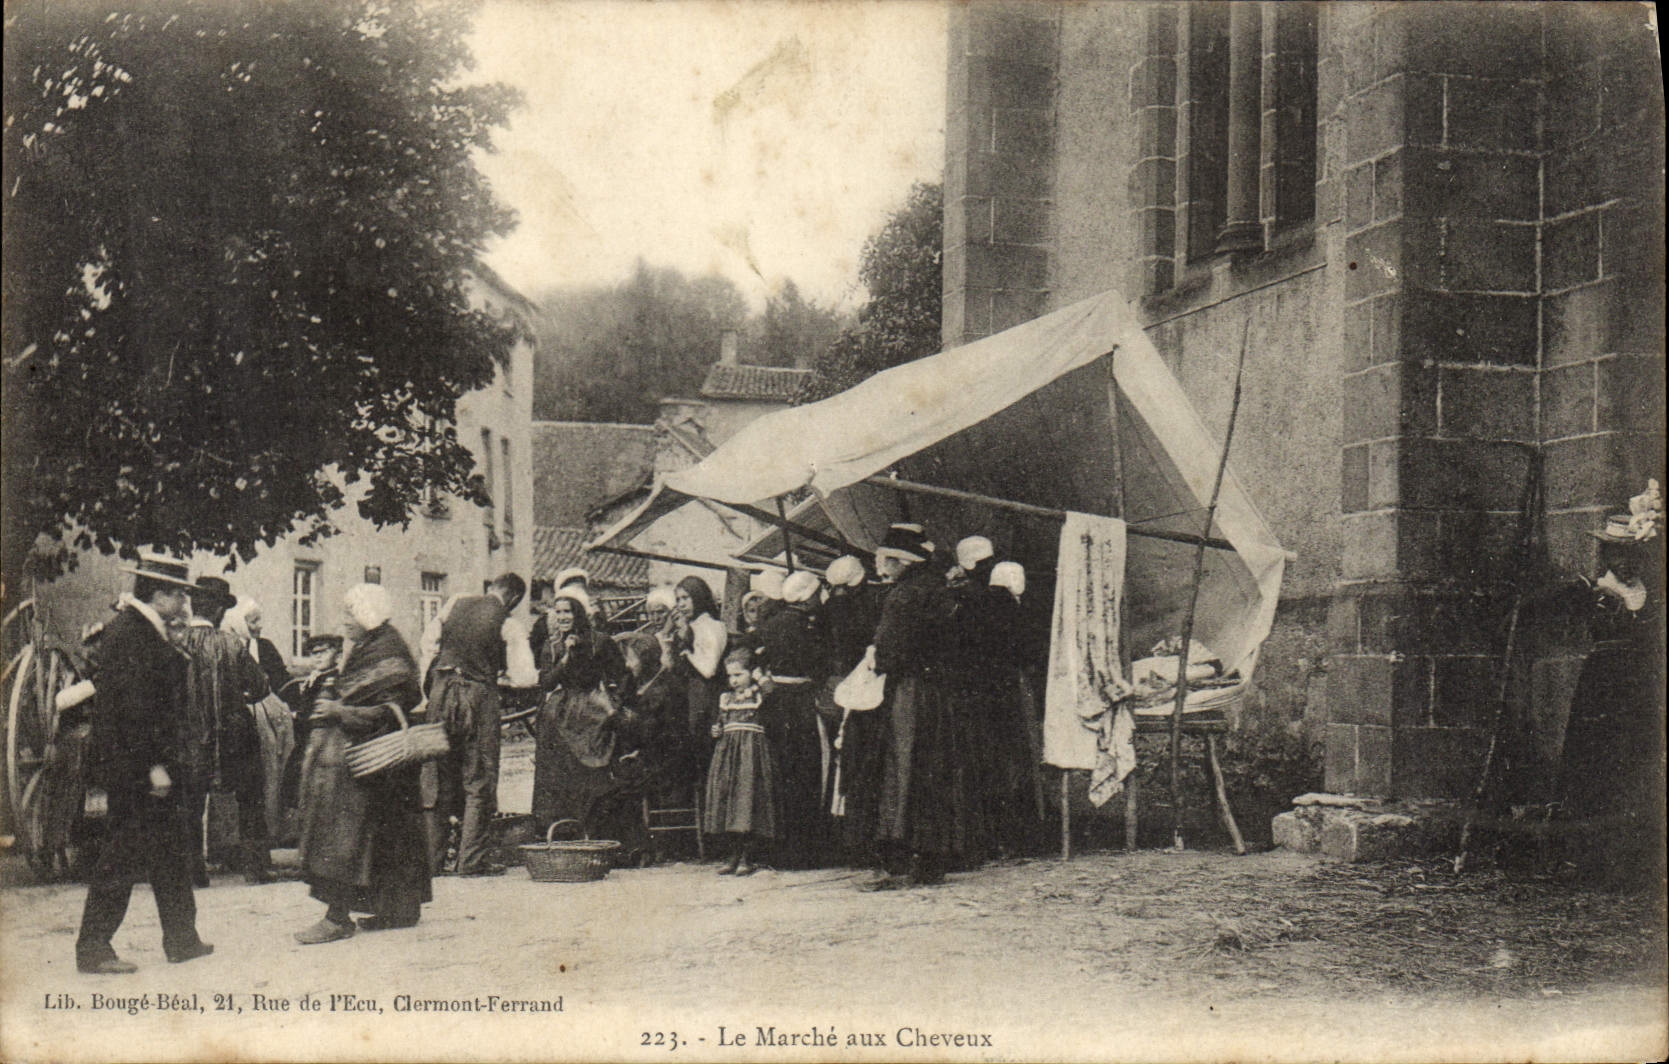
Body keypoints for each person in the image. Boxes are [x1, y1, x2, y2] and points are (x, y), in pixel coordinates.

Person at [76, 555, 214, 974]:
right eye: (180, 595)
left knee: (170, 853)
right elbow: (136, 711)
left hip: (143, 766)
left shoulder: (138, 631)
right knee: (122, 855)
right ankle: (94, 948)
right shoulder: (134, 636)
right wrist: (153, 765)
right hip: (139, 769)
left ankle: (182, 939)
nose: (185, 604)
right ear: (159, 594)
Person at [295, 584, 432, 942]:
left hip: (375, 761)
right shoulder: (374, 646)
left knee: (346, 837)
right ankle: (398, 911)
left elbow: (392, 709)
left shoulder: (385, 649)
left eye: (349, 614)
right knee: (389, 838)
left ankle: (337, 917)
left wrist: (343, 711)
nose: (344, 622)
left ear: (366, 615)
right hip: (380, 766)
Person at [1550, 480, 1665, 888]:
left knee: (1634, 762)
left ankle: (1632, 860)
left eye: (1634, 553)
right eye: (1618, 552)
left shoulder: (1648, 594)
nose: (1626, 560)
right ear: (1608, 553)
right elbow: (1549, 606)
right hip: (1602, 684)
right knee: (1595, 761)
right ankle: (1586, 858)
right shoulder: (1596, 591)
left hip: (1640, 685)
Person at [864, 523, 973, 889]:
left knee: (904, 765)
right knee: (936, 767)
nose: (880, 566)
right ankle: (933, 856)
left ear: (899, 561)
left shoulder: (903, 596)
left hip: (911, 691)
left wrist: (876, 661)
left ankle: (899, 854)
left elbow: (888, 653)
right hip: (941, 691)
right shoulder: (940, 589)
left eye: (884, 560)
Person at [421, 572, 538, 875]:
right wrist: (501, 675)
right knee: (479, 779)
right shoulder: (509, 623)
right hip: (477, 696)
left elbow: (428, 643)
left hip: (440, 690)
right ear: (513, 598)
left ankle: (432, 861)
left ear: (492, 588)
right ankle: (471, 861)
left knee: (439, 778)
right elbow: (525, 677)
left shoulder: (455, 603)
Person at [180, 576, 273, 885]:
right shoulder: (234, 644)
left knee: (190, 803)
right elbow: (260, 687)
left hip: (191, 734)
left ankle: (194, 874)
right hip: (236, 733)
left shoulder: (176, 643)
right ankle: (255, 869)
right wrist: (239, 696)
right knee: (250, 797)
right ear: (219, 610)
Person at [531, 590, 633, 834]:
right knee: (559, 771)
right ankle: (563, 830)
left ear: (578, 614)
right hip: (563, 708)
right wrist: (565, 657)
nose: (563, 617)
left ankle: (595, 828)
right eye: (558, 612)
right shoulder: (552, 645)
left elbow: (622, 675)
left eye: (567, 611)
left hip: (593, 709)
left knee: (592, 771)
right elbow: (546, 682)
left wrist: (612, 703)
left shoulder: (600, 641)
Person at [755, 569, 831, 868]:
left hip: (775, 701)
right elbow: (819, 664)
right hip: (799, 701)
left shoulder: (771, 623)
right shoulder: (807, 625)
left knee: (780, 771)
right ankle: (804, 850)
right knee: (804, 771)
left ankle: (778, 848)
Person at [824, 555, 887, 862]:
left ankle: (857, 839)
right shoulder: (873, 599)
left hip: (855, 686)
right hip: (866, 686)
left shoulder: (840, 606)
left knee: (852, 761)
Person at [702, 648, 779, 875]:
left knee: (747, 802)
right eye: (731, 676)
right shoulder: (726, 699)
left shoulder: (758, 695)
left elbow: (772, 693)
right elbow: (720, 722)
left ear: (751, 674)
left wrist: (759, 676)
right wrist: (716, 730)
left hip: (750, 756)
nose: (734, 681)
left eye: (739, 675)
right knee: (728, 801)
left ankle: (749, 856)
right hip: (727, 755)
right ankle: (732, 855)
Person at [659, 575, 728, 783]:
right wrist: (668, 641)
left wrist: (688, 651)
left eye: (686, 598)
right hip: (689, 696)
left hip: (707, 697)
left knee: (707, 754)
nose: (681, 604)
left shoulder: (711, 626)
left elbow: (709, 669)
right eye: (678, 599)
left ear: (698, 597)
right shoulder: (690, 627)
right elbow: (669, 666)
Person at [277, 634, 343, 819]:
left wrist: (298, 716)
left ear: (337, 655)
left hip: (323, 740)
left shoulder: (334, 680)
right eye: (314, 653)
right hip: (306, 739)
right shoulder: (314, 679)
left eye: (324, 652)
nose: (318, 656)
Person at [226, 599, 291, 698]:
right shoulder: (226, 648)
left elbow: (283, 681)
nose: (260, 626)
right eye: (254, 621)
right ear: (239, 623)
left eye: (259, 620)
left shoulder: (266, 647)